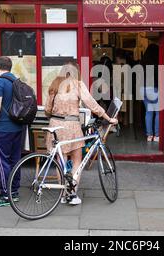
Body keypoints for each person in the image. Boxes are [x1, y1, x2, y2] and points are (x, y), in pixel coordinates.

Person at [45, 62, 117, 205]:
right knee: (77, 160)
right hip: (72, 126)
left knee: (61, 162)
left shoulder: (54, 85)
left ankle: (62, 194)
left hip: (55, 125)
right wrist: (108, 118)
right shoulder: (77, 84)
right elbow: (91, 103)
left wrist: (55, 117)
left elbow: (47, 109)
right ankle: (72, 194)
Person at [0, 56, 24, 207]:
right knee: (15, 160)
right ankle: (14, 192)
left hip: (2, 128)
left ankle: (5, 194)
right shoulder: (17, 81)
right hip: (17, 127)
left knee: (1, 161)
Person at [140, 44, 160, 142]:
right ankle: (157, 135)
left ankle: (149, 135)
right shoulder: (156, 63)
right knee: (158, 113)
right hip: (154, 89)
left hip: (143, 89)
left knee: (148, 112)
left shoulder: (142, 63)